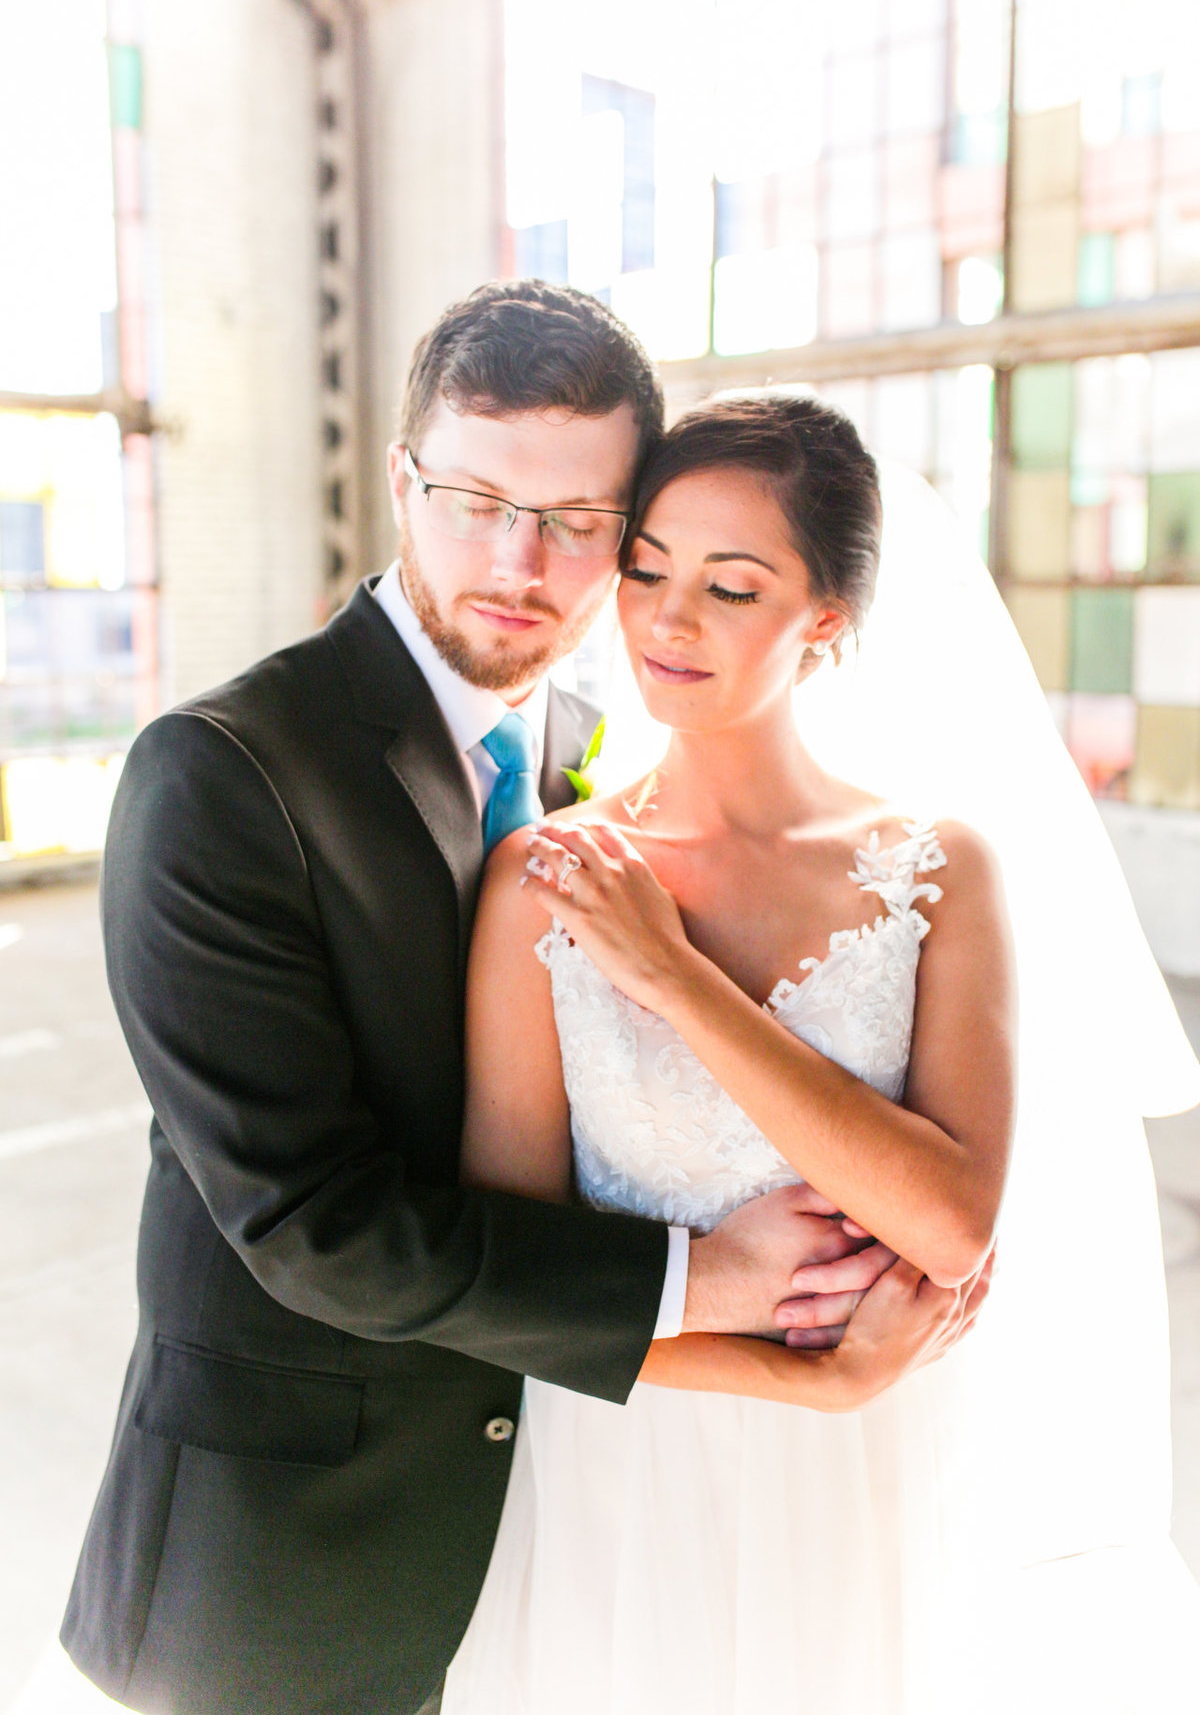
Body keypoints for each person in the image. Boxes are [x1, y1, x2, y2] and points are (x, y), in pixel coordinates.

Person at [57, 286, 972, 1715]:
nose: (515, 562)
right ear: (402, 482)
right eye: (473, 500)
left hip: (566, 1521)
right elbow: (309, 1227)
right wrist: (719, 1291)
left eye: (575, 522)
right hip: (301, 1558)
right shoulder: (222, 775)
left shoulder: (581, 748)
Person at [446, 392, 1200, 1715]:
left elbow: (951, 1221)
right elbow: (508, 1277)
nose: (671, 619)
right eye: (648, 571)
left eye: (732, 588)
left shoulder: (936, 869)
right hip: (627, 1472)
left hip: (875, 1483)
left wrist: (673, 976)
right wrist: (806, 1379)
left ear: (828, 624)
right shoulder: (543, 885)